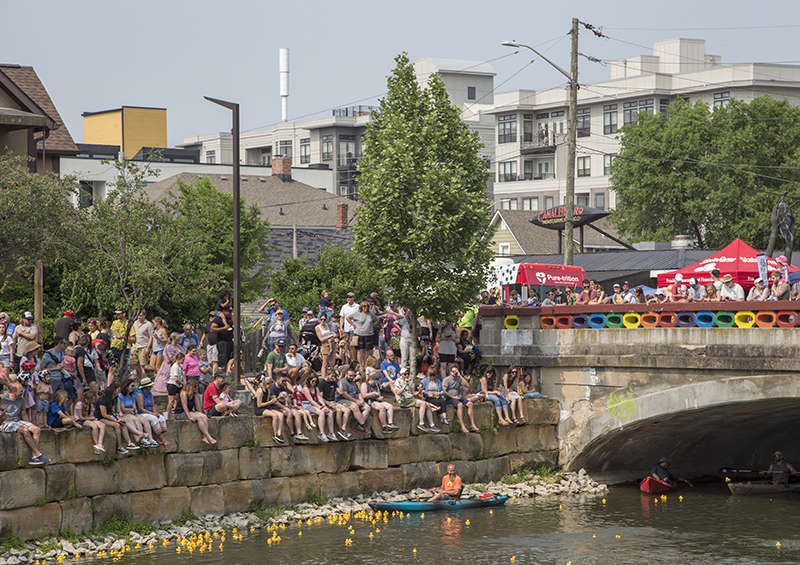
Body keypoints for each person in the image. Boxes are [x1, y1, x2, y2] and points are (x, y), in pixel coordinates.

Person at [0, 382, 49, 465]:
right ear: (14, 391)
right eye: (21, 391)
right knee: (25, 430)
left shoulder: (21, 399)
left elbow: (23, 414)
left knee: (37, 429)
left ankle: (34, 456)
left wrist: (30, 424)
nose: (23, 392)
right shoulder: (2, 398)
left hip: (16, 421)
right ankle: (37, 453)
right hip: (5, 422)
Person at [390, 367, 437, 432]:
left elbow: (413, 393)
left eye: (408, 374)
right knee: (423, 403)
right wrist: (405, 385)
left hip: (410, 398)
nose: (407, 375)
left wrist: (419, 392)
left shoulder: (411, 381)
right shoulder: (398, 381)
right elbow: (398, 393)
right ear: (401, 375)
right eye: (405, 374)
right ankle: (421, 423)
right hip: (403, 400)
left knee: (428, 405)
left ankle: (432, 425)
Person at [94, 383, 137, 454]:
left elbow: (112, 411)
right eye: (114, 394)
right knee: (117, 425)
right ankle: (119, 446)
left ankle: (129, 443)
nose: (115, 395)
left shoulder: (111, 400)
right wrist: (116, 421)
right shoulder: (102, 400)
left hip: (110, 416)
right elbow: (104, 415)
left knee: (122, 423)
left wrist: (118, 418)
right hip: (101, 418)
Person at [244, 376, 287, 444]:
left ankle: (279, 433)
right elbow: (259, 405)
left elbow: (267, 401)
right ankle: (275, 434)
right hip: (259, 409)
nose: (270, 387)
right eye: (269, 385)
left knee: (281, 415)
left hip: (266, 407)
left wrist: (274, 400)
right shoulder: (260, 391)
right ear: (266, 384)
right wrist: (271, 402)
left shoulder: (268, 390)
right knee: (275, 416)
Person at [174, 379, 217, 445]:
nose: (197, 388)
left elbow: (197, 406)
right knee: (199, 418)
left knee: (203, 417)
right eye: (195, 387)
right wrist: (189, 417)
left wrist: (201, 413)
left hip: (190, 411)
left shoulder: (194, 394)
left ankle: (204, 437)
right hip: (181, 412)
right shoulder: (184, 393)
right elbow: (185, 406)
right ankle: (209, 437)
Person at [442, 367, 479, 433]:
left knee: (470, 404)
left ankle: (472, 424)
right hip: (449, 398)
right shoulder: (447, 379)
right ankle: (462, 426)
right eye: (453, 371)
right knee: (460, 405)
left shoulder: (458, 379)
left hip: (457, 397)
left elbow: (467, 385)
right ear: (450, 372)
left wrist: (460, 376)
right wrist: (453, 397)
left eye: (456, 371)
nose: (455, 373)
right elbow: (444, 391)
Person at [134, 377, 169, 446]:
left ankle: (157, 436)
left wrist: (155, 413)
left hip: (150, 412)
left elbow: (153, 406)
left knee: (161, 418)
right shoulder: (139, 395)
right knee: (154, 419)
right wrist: (152, 414)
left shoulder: (150, 394)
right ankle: (161, 438)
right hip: (142, 413)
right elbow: (141, 408)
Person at [336, 368, 372, 434]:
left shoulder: (353, 383)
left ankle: (359, 424)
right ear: (346, 374)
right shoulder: (343, 382)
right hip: (344, 400)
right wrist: (356, 401)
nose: (352, 377)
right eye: (350, 375)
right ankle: (364, 426)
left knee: (367, 407)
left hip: (354, 400)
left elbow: (359, 393)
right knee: (355, 407)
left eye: (353, 376)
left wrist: (361, 400)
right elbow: (345, 394)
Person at [346, 301, 378, 369]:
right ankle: (360, 365)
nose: (366, 308)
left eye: (367, 306)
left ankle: (366, 365)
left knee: (367, 351)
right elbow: (347, 317)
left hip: (368, 334)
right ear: (361, 307)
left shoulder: (371, 314)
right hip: (359, 334)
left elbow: (377, 319)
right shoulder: (357, 313)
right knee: (360, 351)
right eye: (364, 306)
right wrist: (353, 324)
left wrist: (373, 326)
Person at [74, 390, 107, 454]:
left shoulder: (91, 405)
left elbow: (91, 416)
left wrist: (92, 408)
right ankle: (96, 443)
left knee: (102, 425)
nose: (94, 401)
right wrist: (92, 418)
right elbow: (81, 417)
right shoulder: (79, 404)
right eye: (92, 399)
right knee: (94, 426)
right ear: (88, 399)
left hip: (88, 419)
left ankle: (100, 443)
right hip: (80, 420)